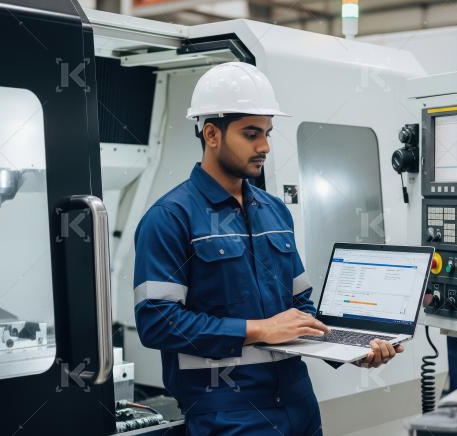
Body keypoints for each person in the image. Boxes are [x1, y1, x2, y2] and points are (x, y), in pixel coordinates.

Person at [133, 62, 403, 435]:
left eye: (267, 133)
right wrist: (257, 329)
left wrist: (349, 349)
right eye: (251, 133)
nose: (265, 146)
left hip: (298, 404)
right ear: (212, 134)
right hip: (226, 412)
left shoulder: (274, 211)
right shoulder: (170, 217)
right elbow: (157, 322)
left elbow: (300, 308)